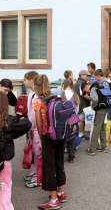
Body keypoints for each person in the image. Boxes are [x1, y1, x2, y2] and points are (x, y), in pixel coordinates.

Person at [0, 91, 31, 210]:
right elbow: (26, 124)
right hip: (4, 161)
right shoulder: (8, 121)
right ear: (4, 104)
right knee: (5, 186)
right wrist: (20, 115)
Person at [36, 76, 68, 210]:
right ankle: (60, 192)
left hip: (48, 136)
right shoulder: (57, 96)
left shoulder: (38, 101)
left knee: (49, 166)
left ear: (36, 87)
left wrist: (40, 136)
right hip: (60, 134)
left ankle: (53, 200)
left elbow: (38, 122)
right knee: (59, 162)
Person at [22, 71, 42, 188]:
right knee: (34, 152)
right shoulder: (31, 94)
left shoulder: (36, 95)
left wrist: (31, 127)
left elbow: (35, 115)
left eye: (25, 80)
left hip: (35, 129)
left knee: (38, 153)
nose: (24, 82)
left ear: (30, 80)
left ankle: (38, 178)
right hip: (31, 127)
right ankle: (36, 172)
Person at [87, 69, 110, 156]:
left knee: (96, 127)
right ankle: (104, 147)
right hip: (106, 107)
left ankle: (92, 149)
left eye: (95, 76)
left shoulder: (95, 85)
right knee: (102, 127)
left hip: (99, 108)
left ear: (97, 75)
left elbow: (95, 99)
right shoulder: (106, 83)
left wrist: (91, 101)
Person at [62, 79, 77, 163]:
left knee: (64, 135)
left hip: (65, 117)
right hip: (73, 116)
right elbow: (77, 107)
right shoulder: (74, 94)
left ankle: (62, 153)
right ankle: (72, 156)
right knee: (72, 136)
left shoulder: (63, 94)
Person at [74, 70, 91, 137]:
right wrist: (91, 98)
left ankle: (80, 132)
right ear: (82, 75)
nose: (87, 77)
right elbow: (83, 94)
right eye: (87, 75)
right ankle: (81, 133)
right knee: (81, 119)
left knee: (80, 118)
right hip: (82, 103)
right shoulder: (82, 82)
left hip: (78, 102)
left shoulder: (77, 82)